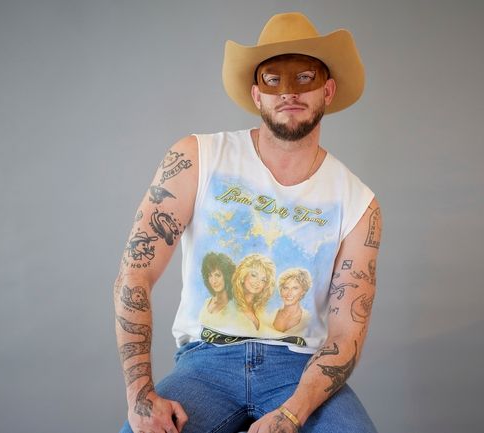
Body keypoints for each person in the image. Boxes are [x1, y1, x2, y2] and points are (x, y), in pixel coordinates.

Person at [113, 11, 382, 433]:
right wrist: (140, 395)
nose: (288, 92)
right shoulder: (197, 158)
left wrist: (294, 412)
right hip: (206, 363)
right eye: (273, 80)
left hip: (300, 368)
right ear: (257, 94)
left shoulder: (358, 202)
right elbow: (136, 272)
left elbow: (346, 333)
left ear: (328, 90)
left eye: (304, 78)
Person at [229, 253, 277, 333]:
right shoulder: (230, 305)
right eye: (254, 275)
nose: (258, 282)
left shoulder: (260, 311)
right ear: (242, 276)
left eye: (263, 280)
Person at [197, 252, 236, 328]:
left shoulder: (233, 308)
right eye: (210, 276)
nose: (214, 281)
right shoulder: (207, 302)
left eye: (217, 275)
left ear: (226, 276)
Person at [273, 268, 312, 334]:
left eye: (295, 288)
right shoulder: (272, 315)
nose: (289, 293)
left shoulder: (308, 319)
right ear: (280, 290)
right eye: (286, 288)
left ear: (303, 291)